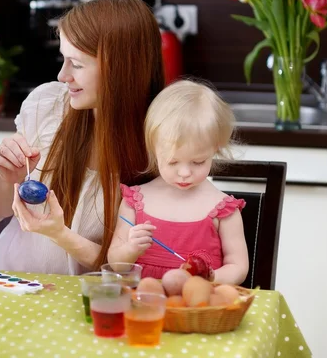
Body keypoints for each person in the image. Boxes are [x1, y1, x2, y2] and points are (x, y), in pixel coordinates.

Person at [0, 0, 165, 275]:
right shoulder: (46, 106)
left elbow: (136, 268)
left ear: (120, 69)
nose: (62, 75)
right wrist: (9, 179)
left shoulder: (161, 141)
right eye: (64, 59)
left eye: (77, 64)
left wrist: (59, 233)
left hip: (86, 303)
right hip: (8, 283)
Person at [107, 80, 249, 284]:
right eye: (172, 161)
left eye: (198, 162)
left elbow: (238, 267)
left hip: (196, 311)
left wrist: (212, 278)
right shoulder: (135, 200)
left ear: (215, 148)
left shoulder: (223, 209)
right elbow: (114, 262)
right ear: (154, 150)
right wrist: (130, 249)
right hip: (143, 309)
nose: (184, 173)